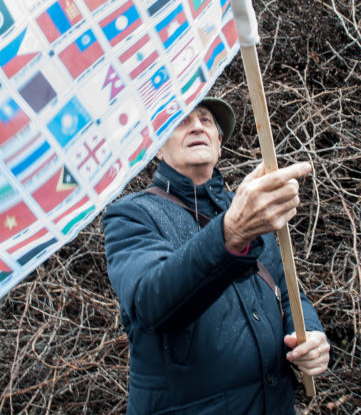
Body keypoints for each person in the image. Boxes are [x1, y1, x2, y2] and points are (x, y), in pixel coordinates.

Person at [102, 96, 330, 414]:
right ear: (157, 148)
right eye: (182, 119)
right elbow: (151, 303)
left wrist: (310, 334)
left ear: (219, 145)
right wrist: (231, 232)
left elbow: (287, 290)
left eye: (206, 120)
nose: (197, 126)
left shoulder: (250, 207)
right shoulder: (131, 215)